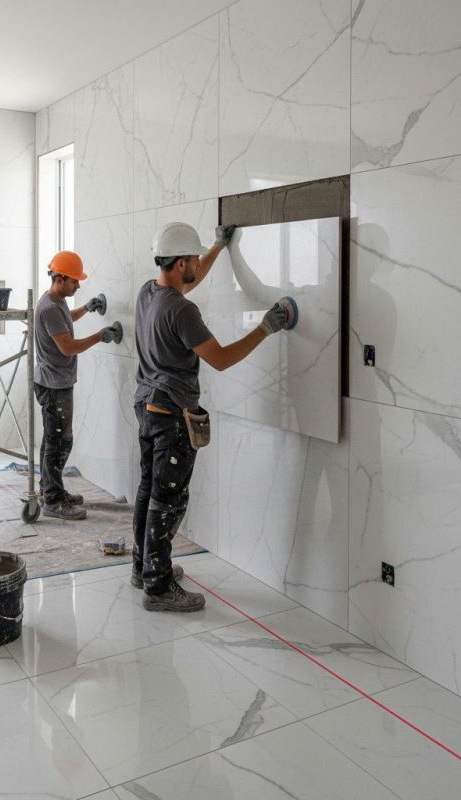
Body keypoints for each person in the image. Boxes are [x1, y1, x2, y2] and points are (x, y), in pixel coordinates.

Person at [132, 222, 295, 611]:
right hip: (171, 414)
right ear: (181, 261)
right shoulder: (182, 310)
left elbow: (191, 278)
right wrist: (265, 328)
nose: (195, 268)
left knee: (148, 490)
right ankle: (157, 587)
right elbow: (220, 359)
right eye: (194, 260)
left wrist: (220, 248)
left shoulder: (148, 293)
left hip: (146, 404)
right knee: (167, 499)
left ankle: (143, 567)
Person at [34, 250, 122, 520]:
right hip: (54, 386)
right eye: (74, 281)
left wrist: (87, 308)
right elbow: (68, 347)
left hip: (54, 382)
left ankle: (52, 490)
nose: (78, 285)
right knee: (59, 442)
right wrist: (100, 336)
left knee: (55, 439)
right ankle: (52, 499)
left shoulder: (55, 301)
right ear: (59, 279)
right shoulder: (49, 307)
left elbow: (64, 320)